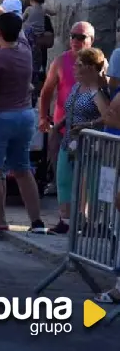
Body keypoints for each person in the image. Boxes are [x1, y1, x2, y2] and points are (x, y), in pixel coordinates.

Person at [0, 12, 47, 236]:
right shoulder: (25, 51)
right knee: (23, 169)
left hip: (1, 116)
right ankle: (37, 222)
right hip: (25, 115)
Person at [49, 47, 111, 234]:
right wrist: (58, 124)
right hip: (69, 140)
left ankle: (91, 223)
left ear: (91, 68)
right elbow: (71, 109)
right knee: (64, 179)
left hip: (91, 144)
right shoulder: (77, 86)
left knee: (91, 183)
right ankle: (66, 220)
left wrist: (88, 124)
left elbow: (107, 116)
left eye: (79, 65)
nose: (74, 67)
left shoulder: (96, 90)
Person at [40, 21, 95, 197]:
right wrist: (43, 117)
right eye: (72, 36)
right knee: (62, 175)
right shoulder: (60, 61)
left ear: (91, 40)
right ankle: (64, 213)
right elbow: (47, 90)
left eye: (81, 37)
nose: (75, 40)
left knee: (84, 175)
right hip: (61, 127)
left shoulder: (99, 62)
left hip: (87, 130)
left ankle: (79, 211)